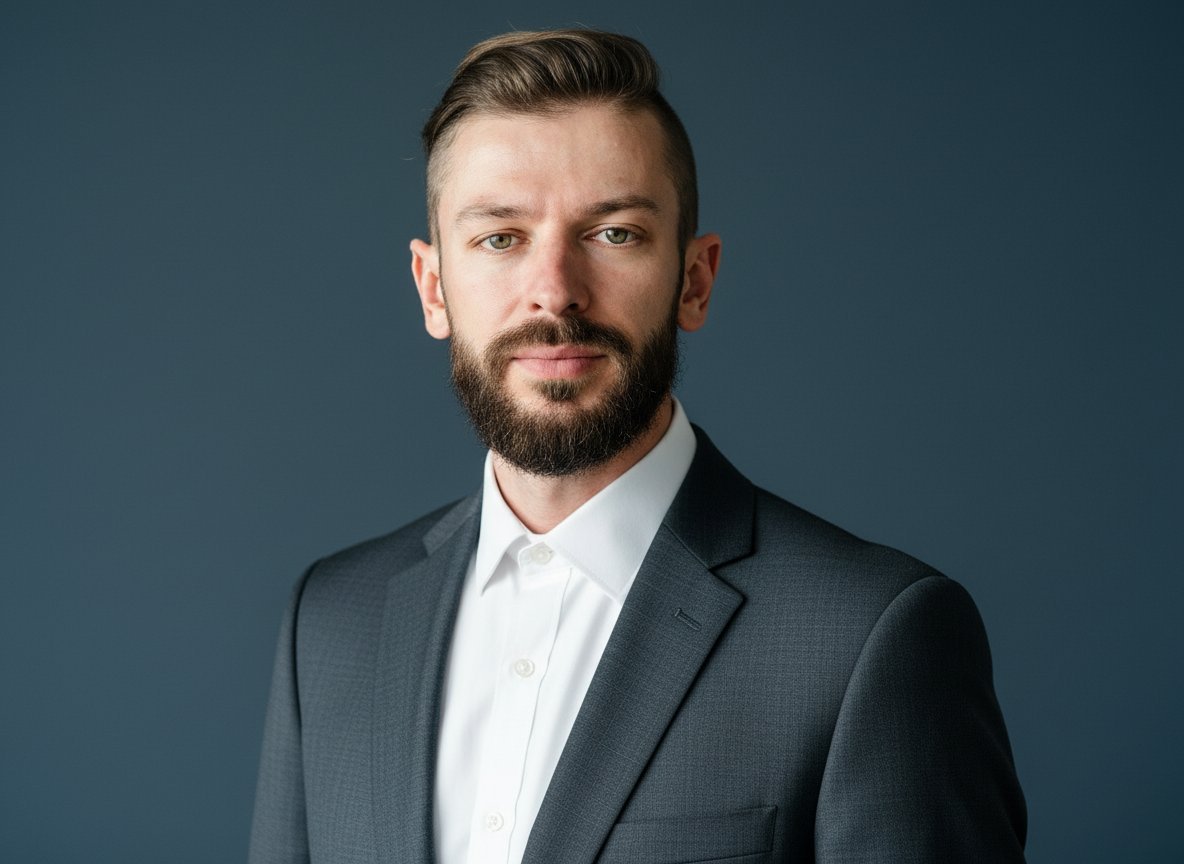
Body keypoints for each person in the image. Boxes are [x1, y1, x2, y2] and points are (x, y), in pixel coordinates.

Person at [249, 29, 1027, 864]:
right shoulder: (331, 623)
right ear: (434, 287)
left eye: (614, 233)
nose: (554, 291)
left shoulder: (872, 637)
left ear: (694, 279)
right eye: (500, 238)